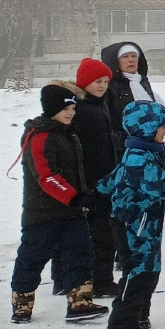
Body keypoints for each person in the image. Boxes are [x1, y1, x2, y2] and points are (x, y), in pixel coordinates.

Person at [95, 101, 165, 329]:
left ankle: (138, 315)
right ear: (146, 128)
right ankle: (122, 324)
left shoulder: (142, 152)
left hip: (144, 223)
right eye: (161, 126)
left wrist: (100, 189)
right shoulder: (138, 159)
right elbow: (163, 184)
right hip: (134, 223)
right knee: (138, 272)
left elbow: (112, 179)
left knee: (149, 270)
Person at [10, 84, 106, 324]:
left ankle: (79, 303)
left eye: (73, 108)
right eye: (65, 108)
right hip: (42, 213)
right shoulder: (40, 136)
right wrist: (74, 197)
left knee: (80, 253)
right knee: (32, 258)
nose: (71, 113)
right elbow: (46, 176)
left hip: (71, 212)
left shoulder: (68, 134)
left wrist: (85, 194)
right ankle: (22, 305)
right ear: (51, 109)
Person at [71, 58, 122, 295]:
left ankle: (98, 279)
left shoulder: (98, 105)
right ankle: (99, 281)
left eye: (105, 82)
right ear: (84, 83)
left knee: (103, 231)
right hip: (92, 182)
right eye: (97, 82)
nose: (102, 86)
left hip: (104, 179)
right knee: (99, 233)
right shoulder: (80, 110)